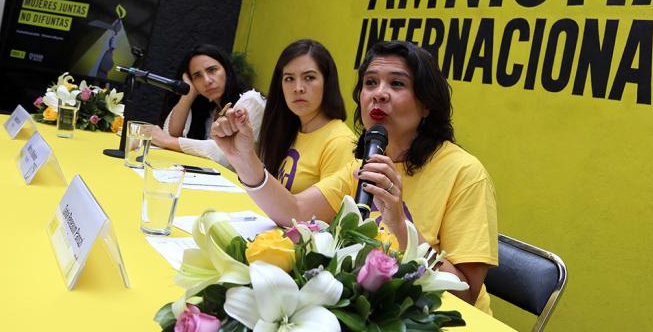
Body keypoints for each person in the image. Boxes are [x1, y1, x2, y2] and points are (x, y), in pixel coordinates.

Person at [211, 40, 498, 313]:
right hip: (375, 310)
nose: (379, 93)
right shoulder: (365, 163)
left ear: (426, 104)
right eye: (370, 83)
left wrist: (400, 225)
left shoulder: (465, 173)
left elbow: (465, 294)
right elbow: (294, 212)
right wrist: (243, 158)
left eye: (397, 83)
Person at [258, 39, 355, 194]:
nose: (298, 88)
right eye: (289, 78)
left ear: (327, 82)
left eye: (309, 77)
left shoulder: (340, 142)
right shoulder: (288, 131)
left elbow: (332, 215)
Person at [151, 44, 264, 166]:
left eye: (212, 70)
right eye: (197, 76)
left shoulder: (251, 100)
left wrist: (167, 141)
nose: (207, 80)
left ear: (226, 70)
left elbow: (224, 153)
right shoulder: (211, 110)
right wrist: (189, 93)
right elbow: (168, 134)